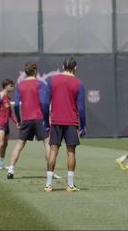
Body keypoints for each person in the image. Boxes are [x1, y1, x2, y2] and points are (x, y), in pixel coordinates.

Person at [7, 62, 60, 180]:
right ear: (35, 71)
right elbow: (44, 103)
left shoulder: (20, 85)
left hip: (26, 119)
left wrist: (19, 120)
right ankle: (50, 172)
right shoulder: (40, 84)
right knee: (48, 144)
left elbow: (16, 105)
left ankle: (10, 169)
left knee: (19, 144)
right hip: (39, 118)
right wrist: (46, 120)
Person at [44, 57, 86, 192]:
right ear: (75, 67)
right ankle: (70, 185)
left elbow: (45, 104)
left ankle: (48, 184)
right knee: (71, 152)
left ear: (63, 66)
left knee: (53, 151)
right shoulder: (79, 83)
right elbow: (81, 109)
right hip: (71, 122)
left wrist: (46, 122)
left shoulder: (52, 81)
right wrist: (83, 126)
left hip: (55, 121)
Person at [0, 79, 18, 170]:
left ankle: (1, 163)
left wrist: (16, 122)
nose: (12, 88)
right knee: (0, 143)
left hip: (6, 125)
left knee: (5, 144)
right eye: (11, 86)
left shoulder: (8, 98)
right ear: (6, 86)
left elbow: (10, 113)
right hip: (0, 124)